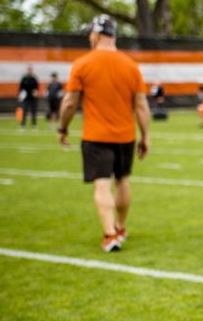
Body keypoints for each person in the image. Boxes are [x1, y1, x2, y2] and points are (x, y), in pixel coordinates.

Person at [57, 15, 151, 252]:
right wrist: (145, 136)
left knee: (102, 184)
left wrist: (63, 128)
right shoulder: (131, 65)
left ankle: (109, 234)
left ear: (97, 35)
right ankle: (120, 227)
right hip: (126, 135)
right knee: (123, 181)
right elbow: (141, 105)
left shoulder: (82, 64)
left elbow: (69, 103)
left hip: (96, 135)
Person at [18, 65, 40, 129]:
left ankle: (34, 125)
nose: (29, 71)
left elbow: (37, 87)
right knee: (24, 111)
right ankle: (22, 125)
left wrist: (35, 92)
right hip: (25, 98)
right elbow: (21, 88)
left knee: (34, 112)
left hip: (33, 98)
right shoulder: (24, 78)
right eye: (28, 70)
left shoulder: (34, 78)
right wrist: (20, 95)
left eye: (30, 70)